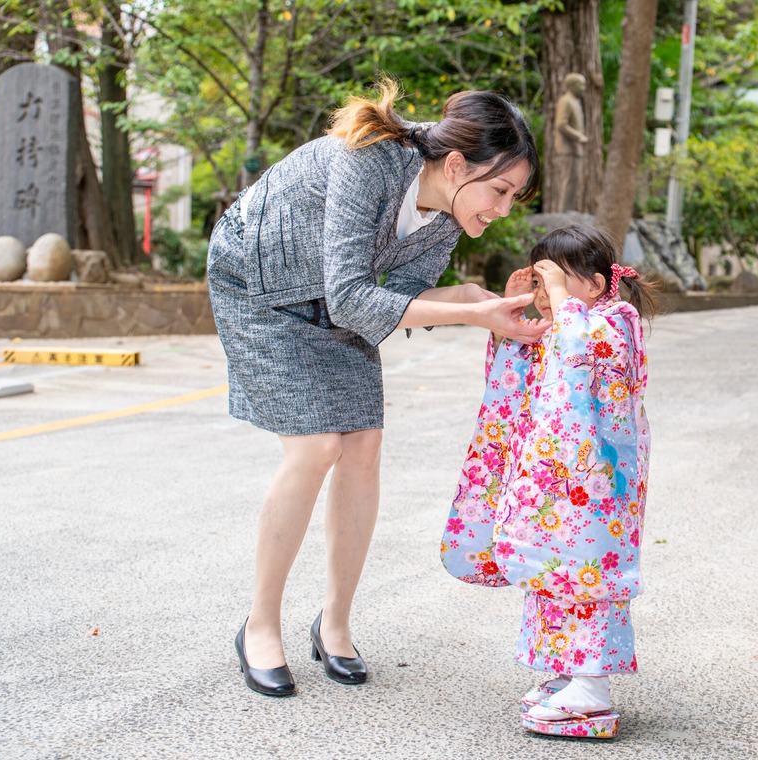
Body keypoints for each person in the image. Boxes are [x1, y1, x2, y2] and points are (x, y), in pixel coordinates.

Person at [206, 76, 548, 697]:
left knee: (362, 446)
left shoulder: (447, 216)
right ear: (455, 164)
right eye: (498, 190)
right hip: (258, 286)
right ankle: (259, 626)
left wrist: (481, 302)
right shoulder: (371, 161)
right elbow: (353, 297)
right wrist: (472, 314)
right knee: (315, 448)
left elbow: (402, 298)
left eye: (512, 197)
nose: (502, 209)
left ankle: (334, 623)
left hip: (336, 300)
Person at [441, 224, 655, 739]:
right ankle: (567, 672)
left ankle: (592, 690)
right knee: (550, 569)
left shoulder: (614, 323)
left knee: (586, 573)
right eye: (540, 282)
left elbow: (579, 350)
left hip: (596, 486)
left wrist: (559, 300)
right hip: (556, 486)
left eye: (555, 280)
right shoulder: (566, 326)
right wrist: (513, 322)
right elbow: (517, 376)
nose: (545, 293)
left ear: (596, 285)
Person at [549, 73, 589, 213]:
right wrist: (578, 136)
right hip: (567, 148)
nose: (584, 88)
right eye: (581, 85)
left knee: (575, 179)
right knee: (568, 179)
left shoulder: (575, 102)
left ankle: (569, 208)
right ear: (572, 86)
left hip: (575, 149)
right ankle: (564, 210)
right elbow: (561, 124)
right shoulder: (565, 101)